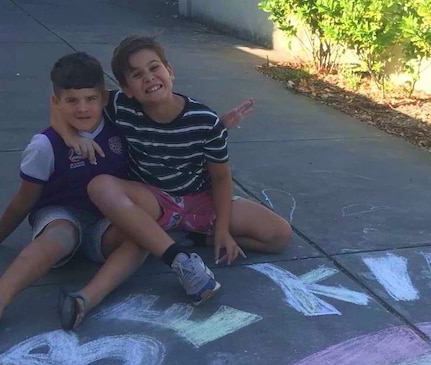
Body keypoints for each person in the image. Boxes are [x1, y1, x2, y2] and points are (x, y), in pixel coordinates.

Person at [0, 52, 251, 348]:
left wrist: (216, 127)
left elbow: (166, 133)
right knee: (62, 233)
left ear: (104, 99)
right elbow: (24, 200)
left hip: (107, 223)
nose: (83, 108)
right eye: (71, 101)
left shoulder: (119, 124)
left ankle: (84, 299)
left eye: (90, 99)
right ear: (58, 103)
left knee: (143, 234)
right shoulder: (44, 145)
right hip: (62, 215)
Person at [56, 35, 291, 316]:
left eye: (154, 68)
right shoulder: (120, 106)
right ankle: (173, 258)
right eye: (137, 74)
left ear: (170, 71)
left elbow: (221, 179)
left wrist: (223, 230)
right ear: (126, 89)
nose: (149, 78)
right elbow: (57, 105)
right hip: (154, 200)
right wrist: (71, 137)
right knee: (100, 187)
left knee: (279, 235)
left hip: (199, 201)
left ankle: (188, 239)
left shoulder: (205, 121)